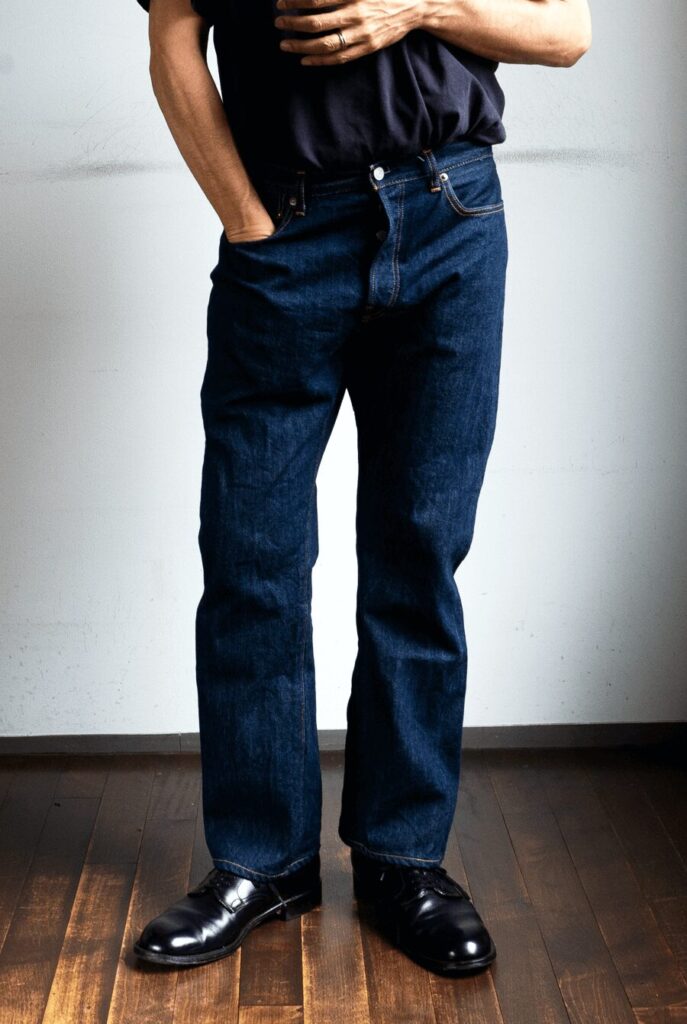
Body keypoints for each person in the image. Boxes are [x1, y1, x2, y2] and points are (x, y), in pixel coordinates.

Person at [130, 0, 591, 978]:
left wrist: (418, 5)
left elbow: (566, 32)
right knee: (251, 556)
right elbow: (174, 34)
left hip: (449, 211)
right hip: (285, 227)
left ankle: (401, 858)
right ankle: (262, 862)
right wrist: (247, 223)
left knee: (417, 552)